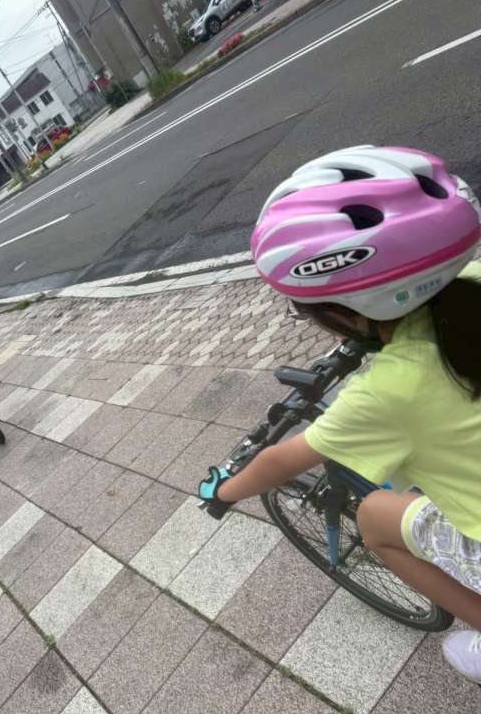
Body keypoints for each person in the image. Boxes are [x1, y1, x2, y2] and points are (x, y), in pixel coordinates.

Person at [199, 145, 481, 684]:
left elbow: (279, 461)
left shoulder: (388, 392)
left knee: (375, 519)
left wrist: (222, 491)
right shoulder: (474, 280)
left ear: (343, 313)